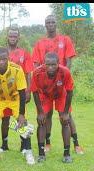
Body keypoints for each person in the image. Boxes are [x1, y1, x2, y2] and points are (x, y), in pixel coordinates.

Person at [32, 15, 83, 154]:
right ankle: (47, 143)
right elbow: (36, 64)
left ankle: (76, 144)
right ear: (45, 24)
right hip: (45, 86)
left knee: (66, 115)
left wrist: (64, 79)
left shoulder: (65, 39)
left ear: (56, 24)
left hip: (61, 84)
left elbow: (68, 60)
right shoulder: (39, 43)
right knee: (46, 115)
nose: (50, 24)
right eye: (48, 22)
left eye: (53, 22)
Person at [0, 47, 35, 165]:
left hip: (15, 99)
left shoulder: (17, 69)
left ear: (8, 59)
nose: (1, 62)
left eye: (4, 59)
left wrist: (21, 114)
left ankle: (29, 152)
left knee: (23, 123)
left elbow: (22, 92)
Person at [0, 27, 34, 153]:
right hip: (3, 93)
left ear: (18, 38)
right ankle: (4, 145)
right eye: (10, 36)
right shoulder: (1, 53)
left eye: (15, 36)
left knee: (21, 118)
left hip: (18, 93)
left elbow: (28, 73)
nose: (12, 38)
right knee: (4, 119)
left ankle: (24, 145)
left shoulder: (24, 53)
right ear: (7, 37)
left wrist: (28, 91)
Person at [31, 52, 74, 163]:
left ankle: (67, 153)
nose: (50, 67)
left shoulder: (65, 72)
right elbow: (35, 93)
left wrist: (65, 113)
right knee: (41, 121)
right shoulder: (36, 73)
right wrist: (40, 112)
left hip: (61, 94)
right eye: (48, 64)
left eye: (53, 65)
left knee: (65, 121)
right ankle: (41, 154)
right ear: (44, 64)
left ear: (58, 64)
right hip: (44, 95)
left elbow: (69, 92)